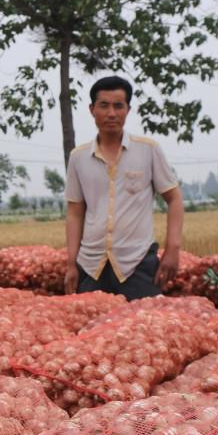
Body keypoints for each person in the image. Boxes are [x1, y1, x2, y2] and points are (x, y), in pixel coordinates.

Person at [63, 75, 183, 299]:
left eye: (118, 106)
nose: (111, 113)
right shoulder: (78, 158)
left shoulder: (148, 150)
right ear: (92, 109)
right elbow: (75, 212)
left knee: (145, 327)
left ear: (128, 109)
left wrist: (173, 249)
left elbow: (174, 199)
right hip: (92, 265)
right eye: (104, 106)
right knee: (92, 330)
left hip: (137, 263)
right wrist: (71, 263)